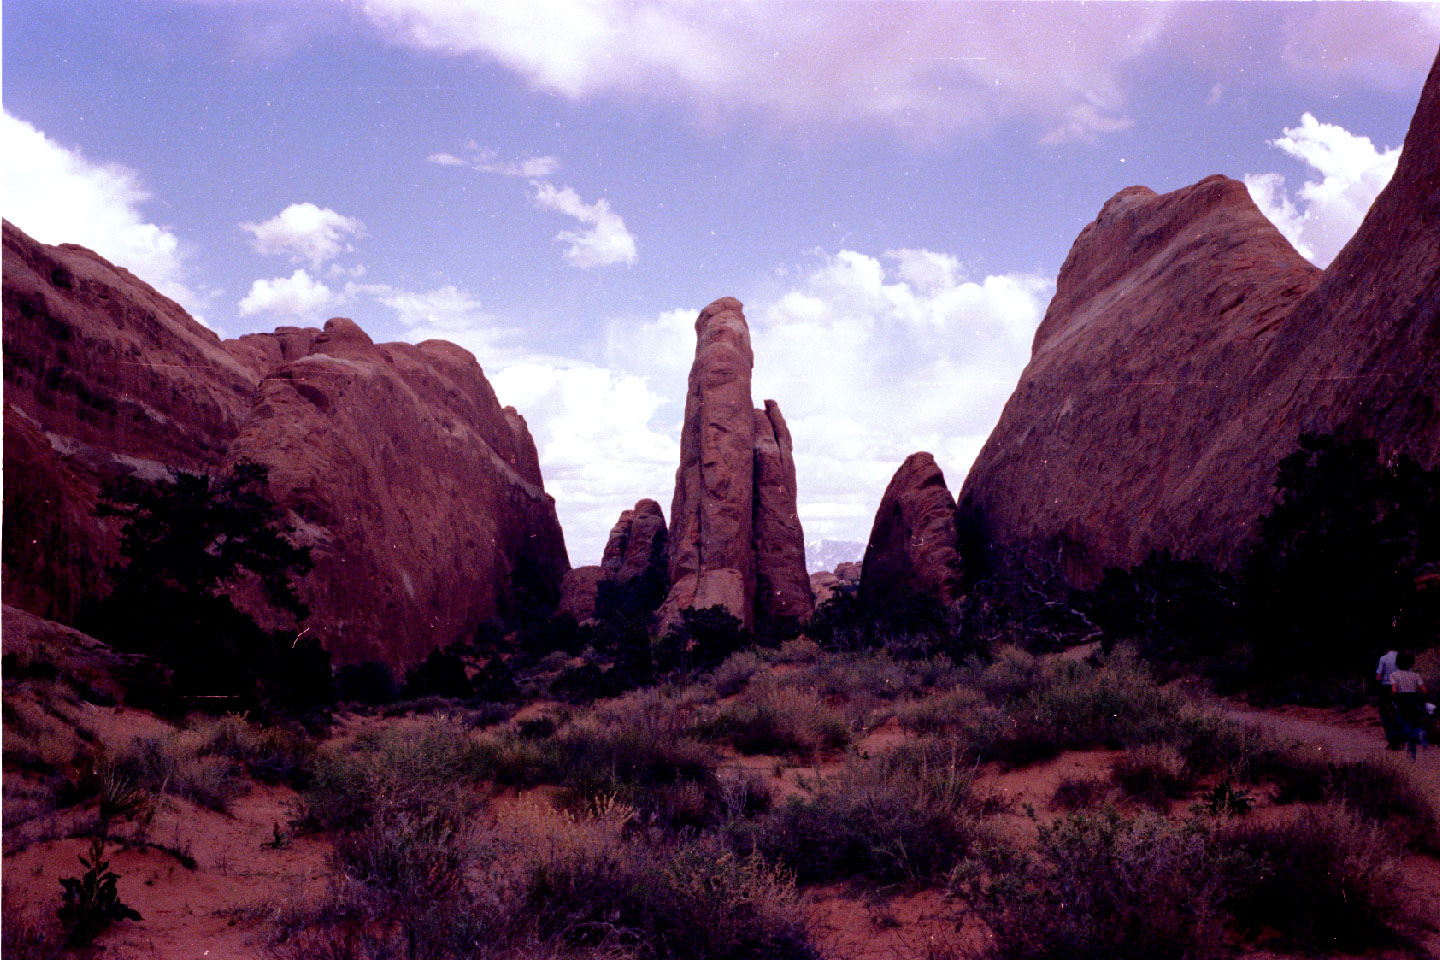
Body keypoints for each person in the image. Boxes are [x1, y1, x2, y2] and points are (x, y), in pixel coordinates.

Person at [1389, 651, 1429, 759]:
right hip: (1414, 700)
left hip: (1402, 700)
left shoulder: (1394, 675)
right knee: (1414, 723)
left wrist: (1392, 699)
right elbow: (1424, 690)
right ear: (1411, 663)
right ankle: (1412, 754)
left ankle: (1416, 737)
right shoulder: (1415, 675)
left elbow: (1394, 689)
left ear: (1397, 663)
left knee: (1404, 726)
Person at [1376, 648, 1401, 749]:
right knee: (1398, 712)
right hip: (1399, 687)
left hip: (1386, 687)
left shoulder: (1384, 658)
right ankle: (1399, 738)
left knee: (1385, 713)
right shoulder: (1401, 658)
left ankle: (1391, 738)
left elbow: (1378, 676)